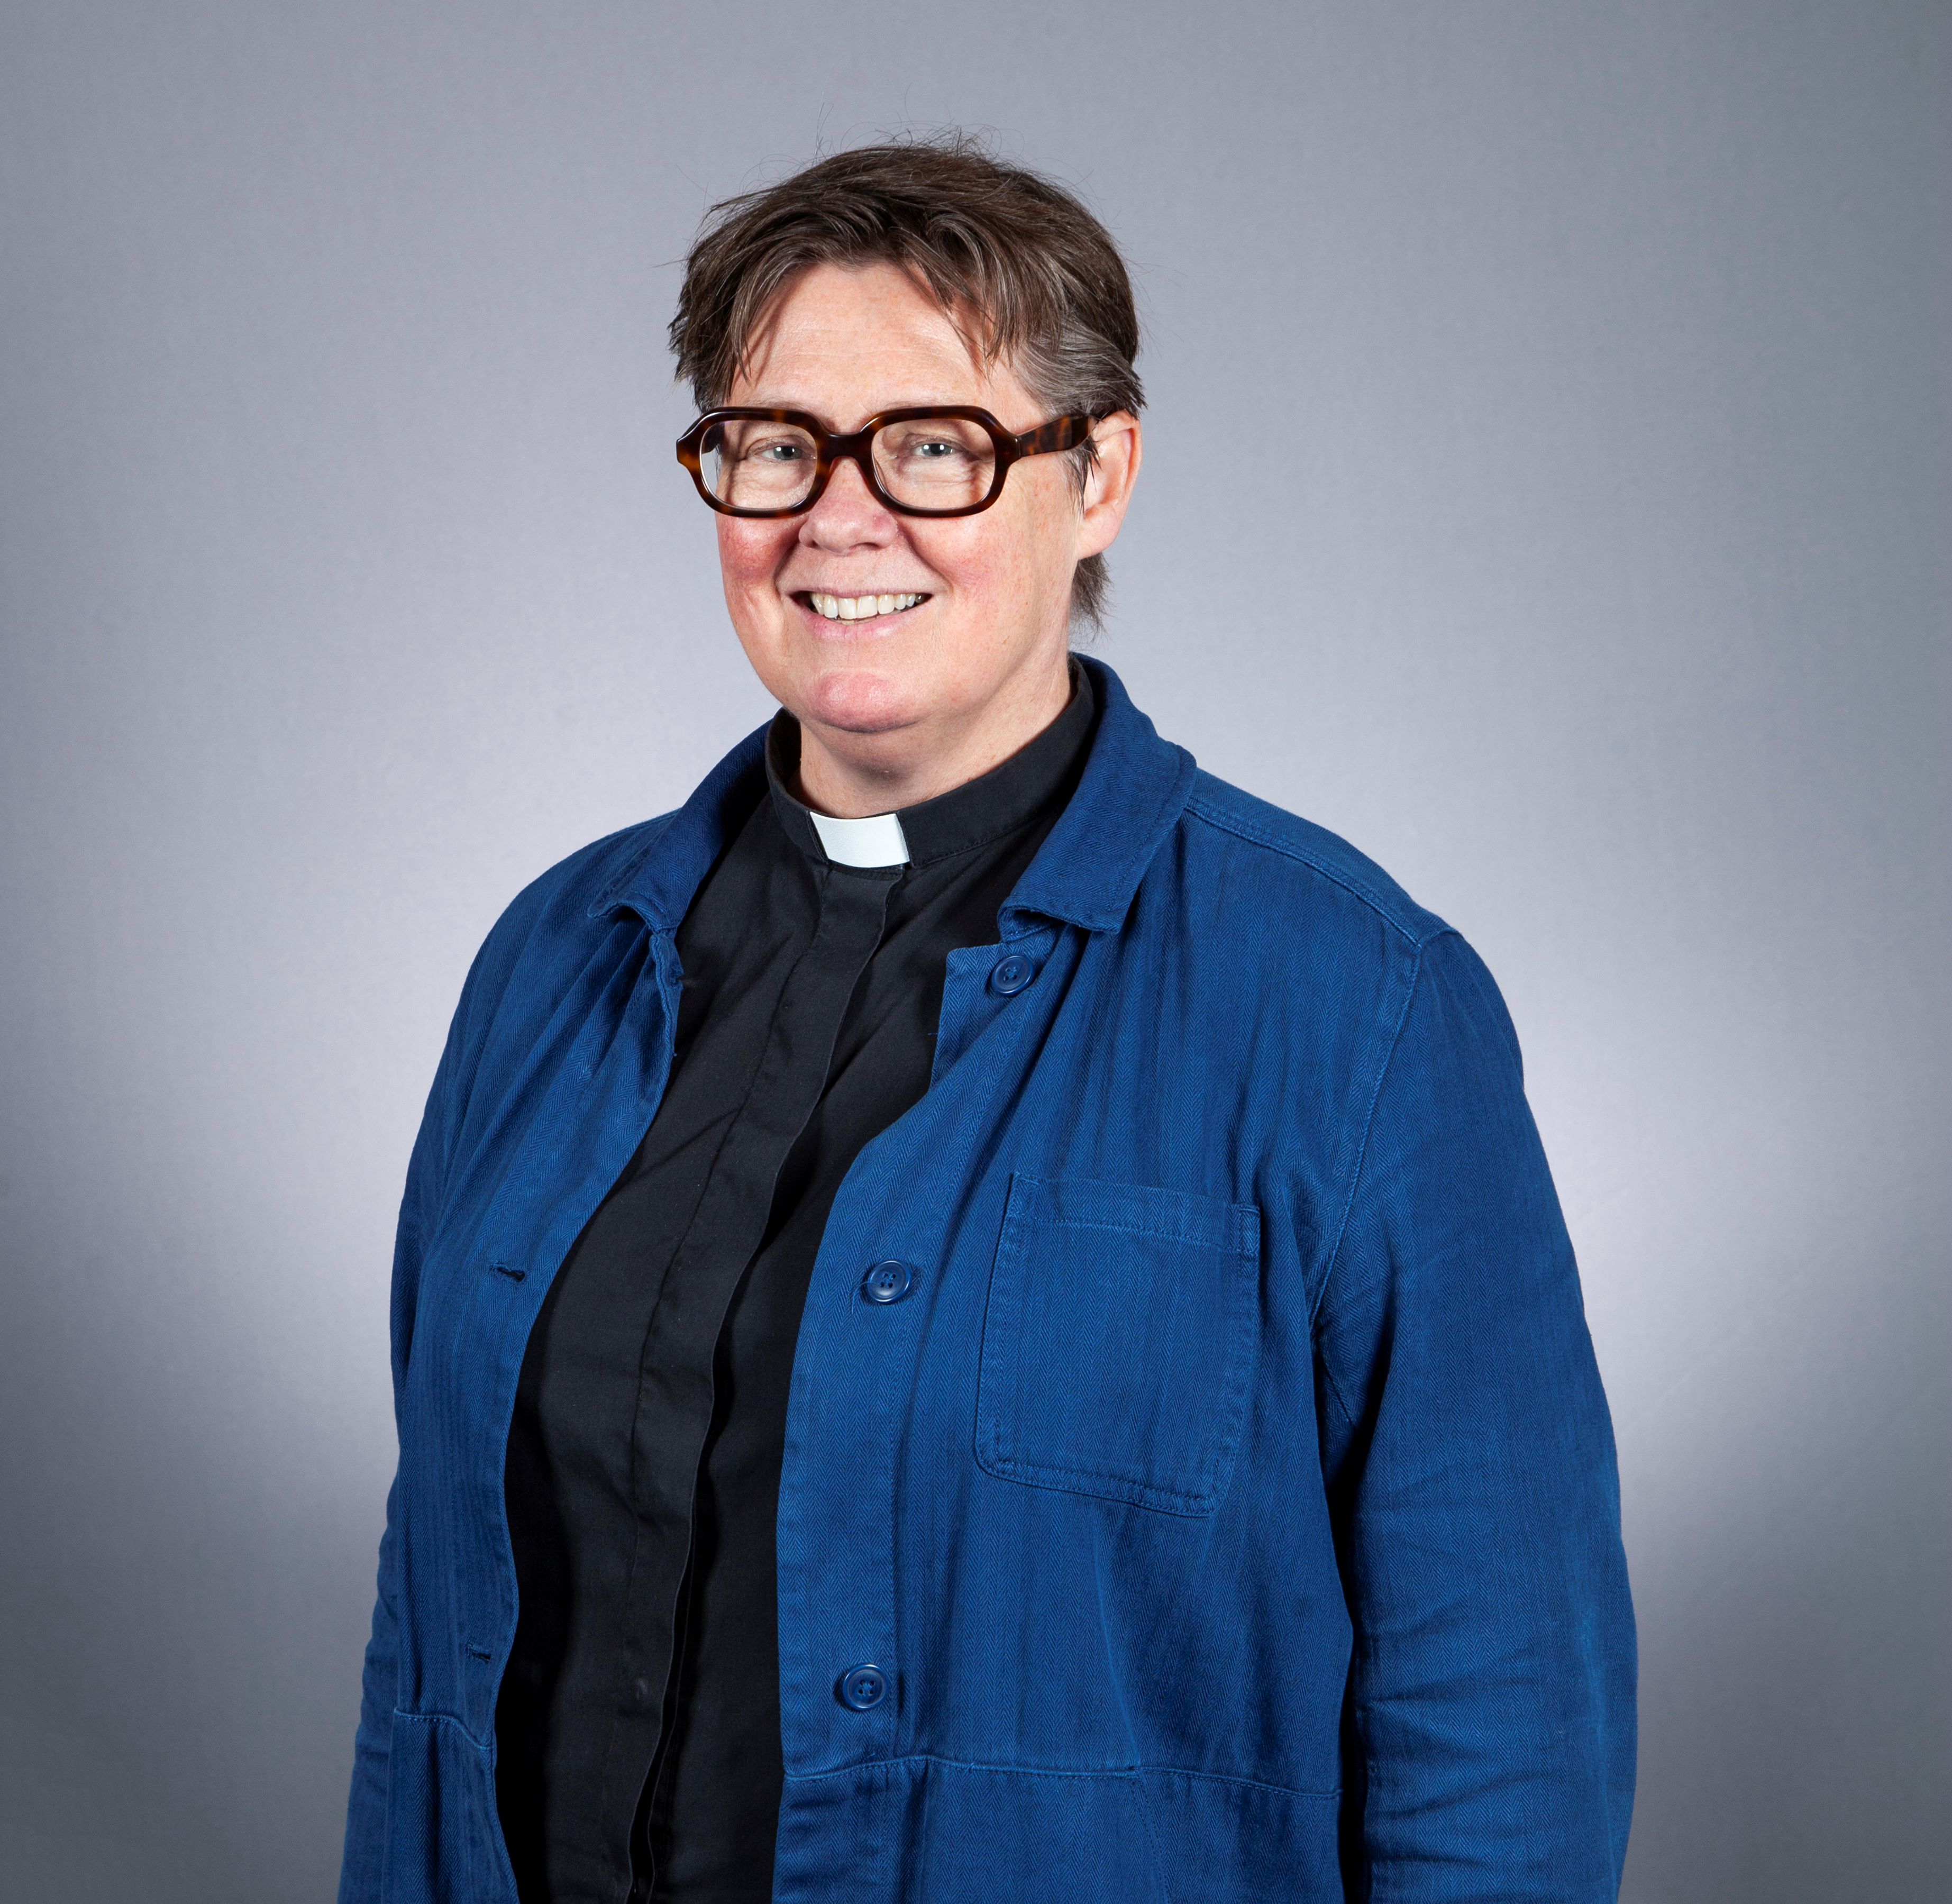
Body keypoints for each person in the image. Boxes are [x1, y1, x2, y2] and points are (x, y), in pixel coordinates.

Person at [338, 137, 1635, 1904]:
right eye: (775, 443)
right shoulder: (555, 962)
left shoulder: (1357, 1008)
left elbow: (1501, 1728)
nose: (837, 520)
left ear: (1097, 475)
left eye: (933, 448)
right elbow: (431, 1633)